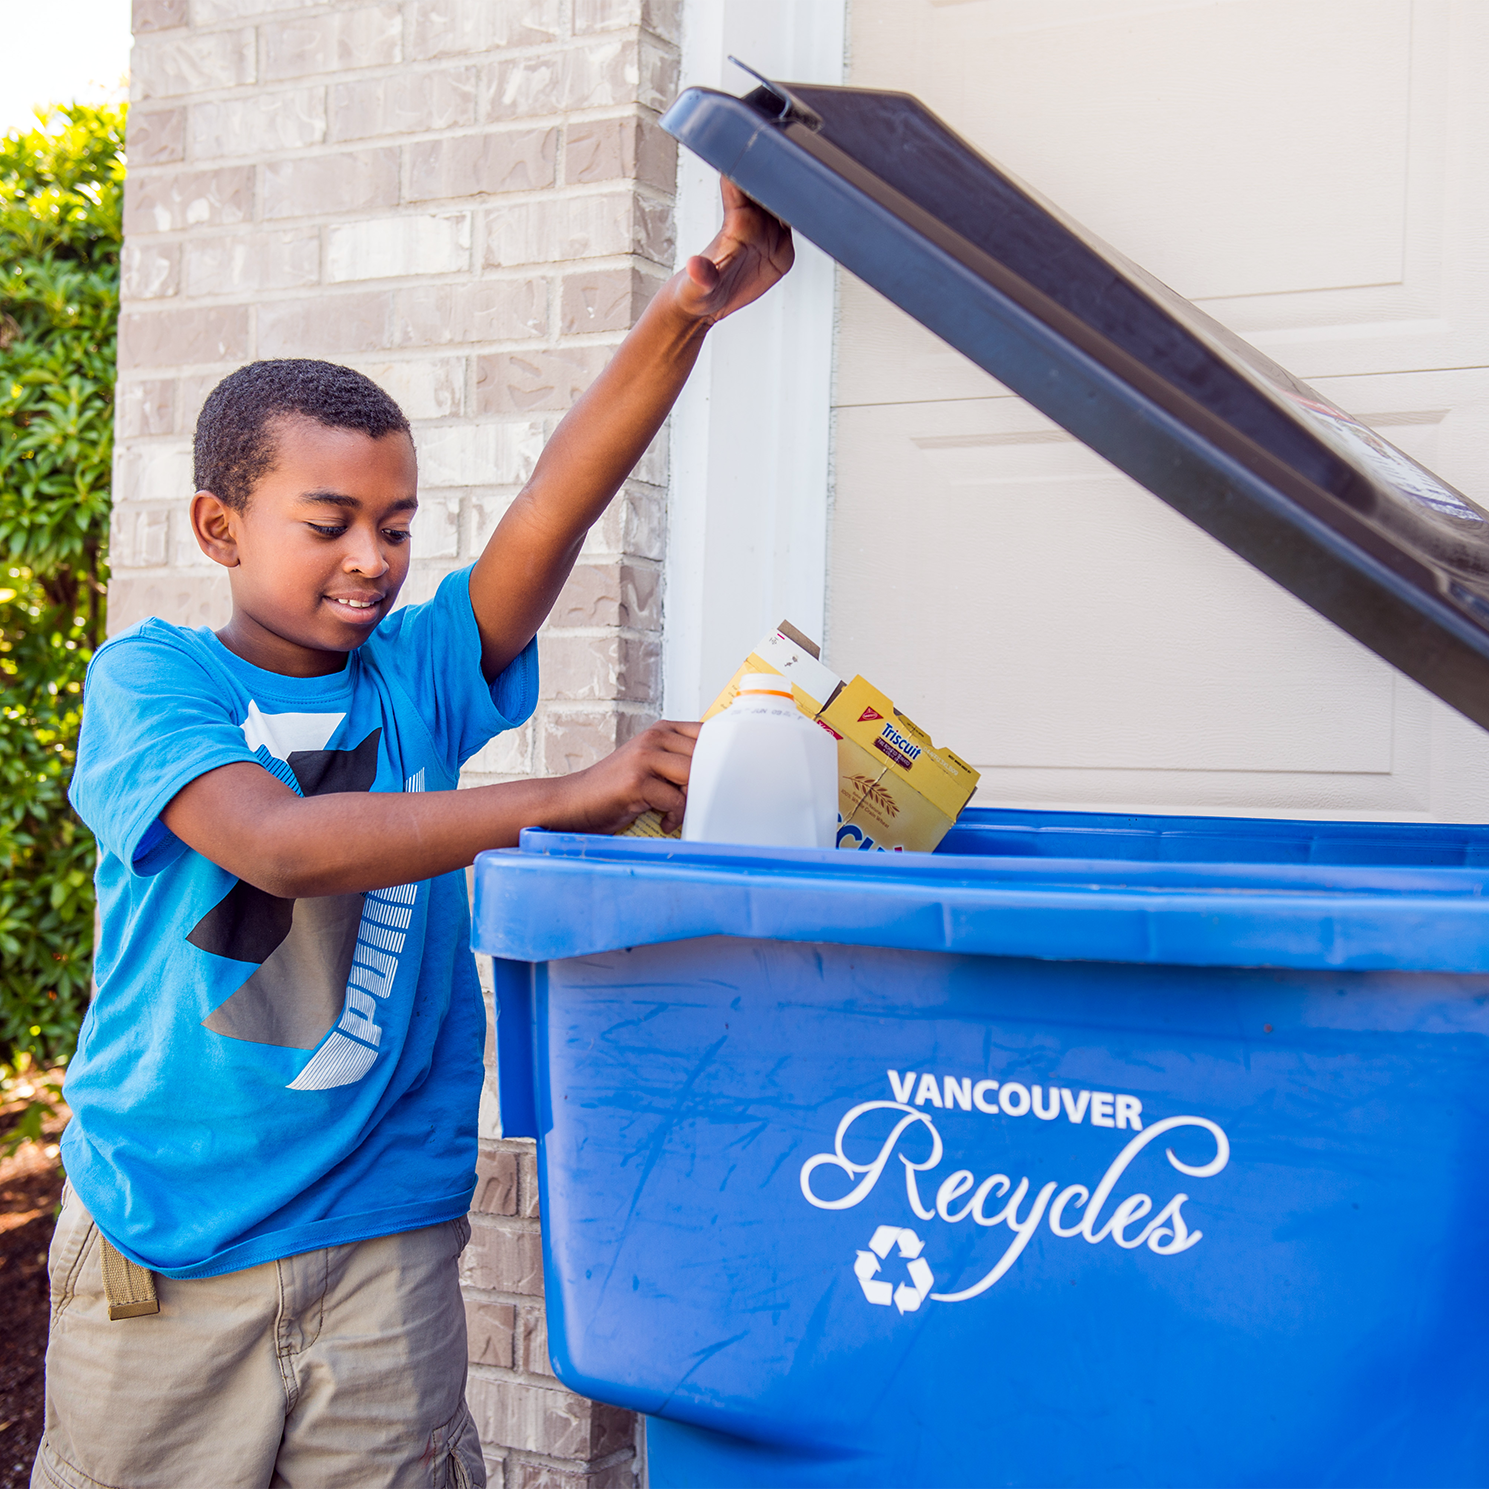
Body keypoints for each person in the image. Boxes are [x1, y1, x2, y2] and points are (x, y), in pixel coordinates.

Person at [33, 181, 792, 1489]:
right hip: (167, 1238)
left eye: (394, 525)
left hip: (383, 1237)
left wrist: (696, 301)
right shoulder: (155, 685)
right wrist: (559, 795)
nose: (373, 558)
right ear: (219, 528)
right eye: (328, 525)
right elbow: (275, 844)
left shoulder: (417, 674)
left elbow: (552, 507)